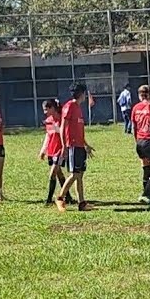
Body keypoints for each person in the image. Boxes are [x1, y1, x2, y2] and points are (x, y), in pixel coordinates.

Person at [56, 84, 95, 212]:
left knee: (80, 175)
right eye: (85, 93)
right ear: (81, 94)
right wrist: (64, 146)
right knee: (74, 174)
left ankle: (82, 203)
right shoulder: (70, 106)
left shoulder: (78, 108)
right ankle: (60, 198)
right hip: (72, 145)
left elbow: (78, 130)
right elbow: (63, 127)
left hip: (79, 146)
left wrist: (85, 144)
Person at [38, 99, 71, 206]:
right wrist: (43, 150)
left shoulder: (62, 119)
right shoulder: (48, 120)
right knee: (59, 173)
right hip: (51, 151)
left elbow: (66, 134)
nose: (44, 112)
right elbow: (48, 135)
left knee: (52, 173)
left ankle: (49, 199)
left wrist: (64, 148)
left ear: (52, 108)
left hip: (60, 150)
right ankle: (68, 196)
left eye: (46, 109)